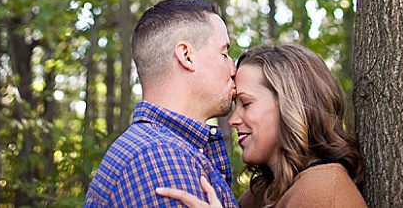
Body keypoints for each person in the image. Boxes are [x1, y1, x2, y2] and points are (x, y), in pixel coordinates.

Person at [156, 44, 366, 208]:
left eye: (246, 103)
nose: (233, 120)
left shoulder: (324, 192)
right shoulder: (262, 193)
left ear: (290, 106)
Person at [84, 0, 239, 207]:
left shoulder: (158, 149)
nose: (233, 69)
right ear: (187, 56)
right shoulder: (162, 161)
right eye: (224, 53)